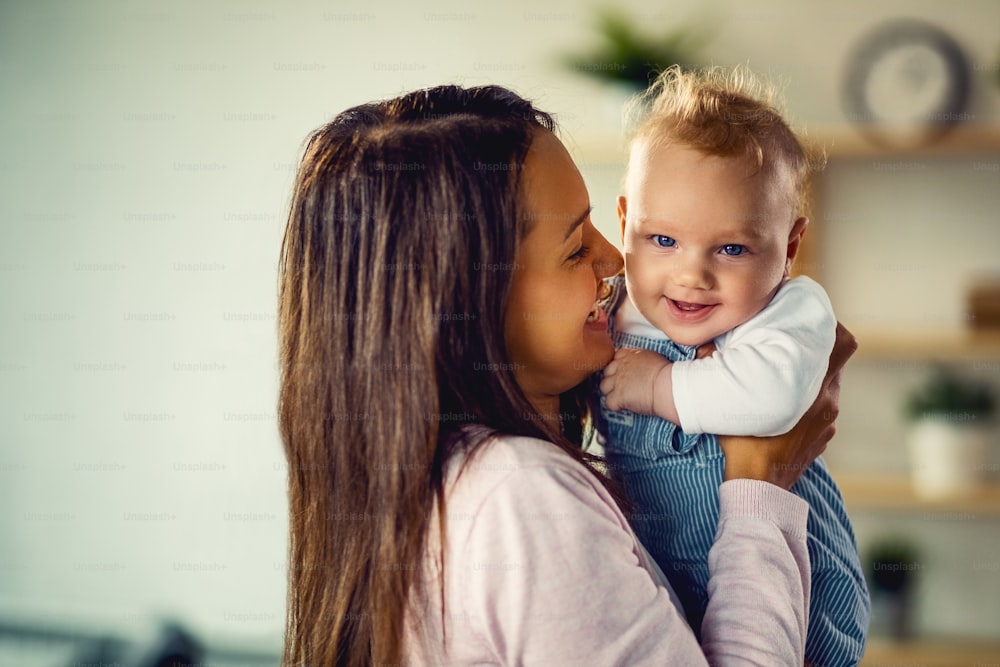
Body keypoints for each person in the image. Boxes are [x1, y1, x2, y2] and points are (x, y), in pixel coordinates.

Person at [276, 83, 856, 667]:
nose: (615, 260)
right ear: (474, 297)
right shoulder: (520, 497)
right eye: (577, 247)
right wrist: (760, 482)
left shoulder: (422, 486)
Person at [598, 66, 869, 665]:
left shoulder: (790, 308)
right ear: (624, 225)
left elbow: (771, 397)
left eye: (732, 249)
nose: (692, 275)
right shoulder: (612, 305)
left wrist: (661, 385)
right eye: (662, 241)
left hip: (799, 589)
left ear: (790, 247)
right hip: (666, 580)